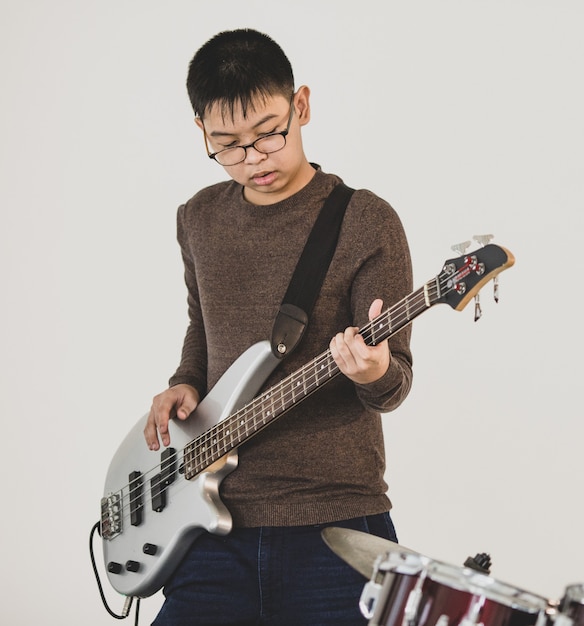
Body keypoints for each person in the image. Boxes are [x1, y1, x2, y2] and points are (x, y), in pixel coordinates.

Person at [144, 28, 413, 626]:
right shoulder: (199, 217)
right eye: (228, 145)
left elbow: (395, 383)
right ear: (202, 133)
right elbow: (202, 323)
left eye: (269, 133)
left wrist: (374, 370)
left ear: (302, 106)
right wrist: (184, 381)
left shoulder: (366, 221)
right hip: (209, 527)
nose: (252, 159)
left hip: (337, 527)